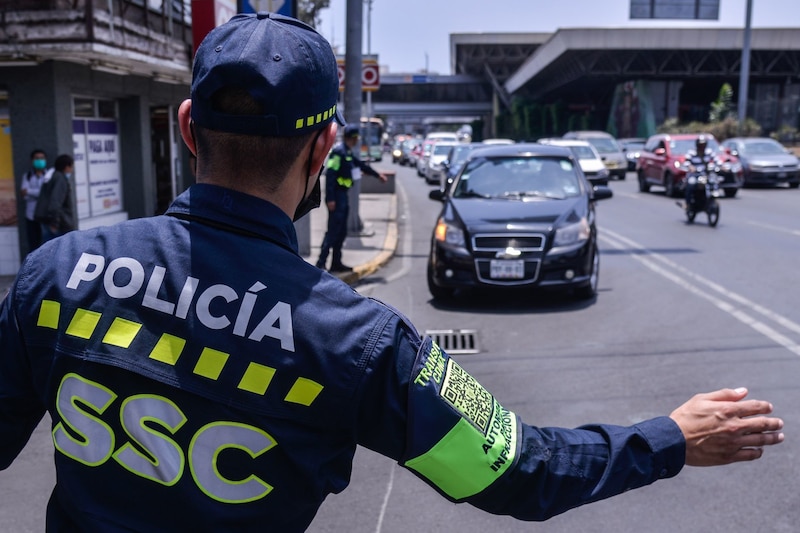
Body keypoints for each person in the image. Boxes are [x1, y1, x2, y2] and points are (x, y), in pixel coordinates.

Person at [0, 12, 784, 532]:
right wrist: (669, 436)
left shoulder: (57, 271)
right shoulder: (354, 339)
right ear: (323, 150)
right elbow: (517, 468)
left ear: (186, 128)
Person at [315, 123, 387, 272]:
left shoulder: (347, 153)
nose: (357, 141)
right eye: (356, 138)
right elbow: (330, 175)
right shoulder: (338, 153)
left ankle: (336, 262)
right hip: (337, 196)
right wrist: (330, 199)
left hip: (344, 196)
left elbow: (360, 165)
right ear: (352, 138)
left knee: (341, 232)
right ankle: (320, 263)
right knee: (333, 231)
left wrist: (376, 175)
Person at [34, 153, 75, 242]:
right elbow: (55, 203)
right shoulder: (60, 179)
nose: (72, 170)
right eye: (71, 167)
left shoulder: (52, 176)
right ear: (66, 167)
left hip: (48, 221)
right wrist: (54, 223)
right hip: (57, 224)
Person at [18, 148, 52, 253]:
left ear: (46, 159)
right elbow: (24, 194)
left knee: (48, 244)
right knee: (34, 245)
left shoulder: (49, 176)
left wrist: (29, 191)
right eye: (37, 158)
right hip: (31, 216)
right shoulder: (27, 176)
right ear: (32, 160)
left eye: (42, 158)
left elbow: (48, 193)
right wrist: (40, 193)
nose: (39, 160)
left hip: (46, 216)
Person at [684, 134, 714, 209]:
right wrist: (691, 167)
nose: (702, 147)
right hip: (695, 175)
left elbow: (716, 160)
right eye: (700, 145)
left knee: (714, 181)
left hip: (705, 175)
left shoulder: (709, 153)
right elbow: (686, 162)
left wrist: (722, 166)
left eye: (703, 145)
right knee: (691, 184)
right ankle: (688, 204)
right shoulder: (692, 153)